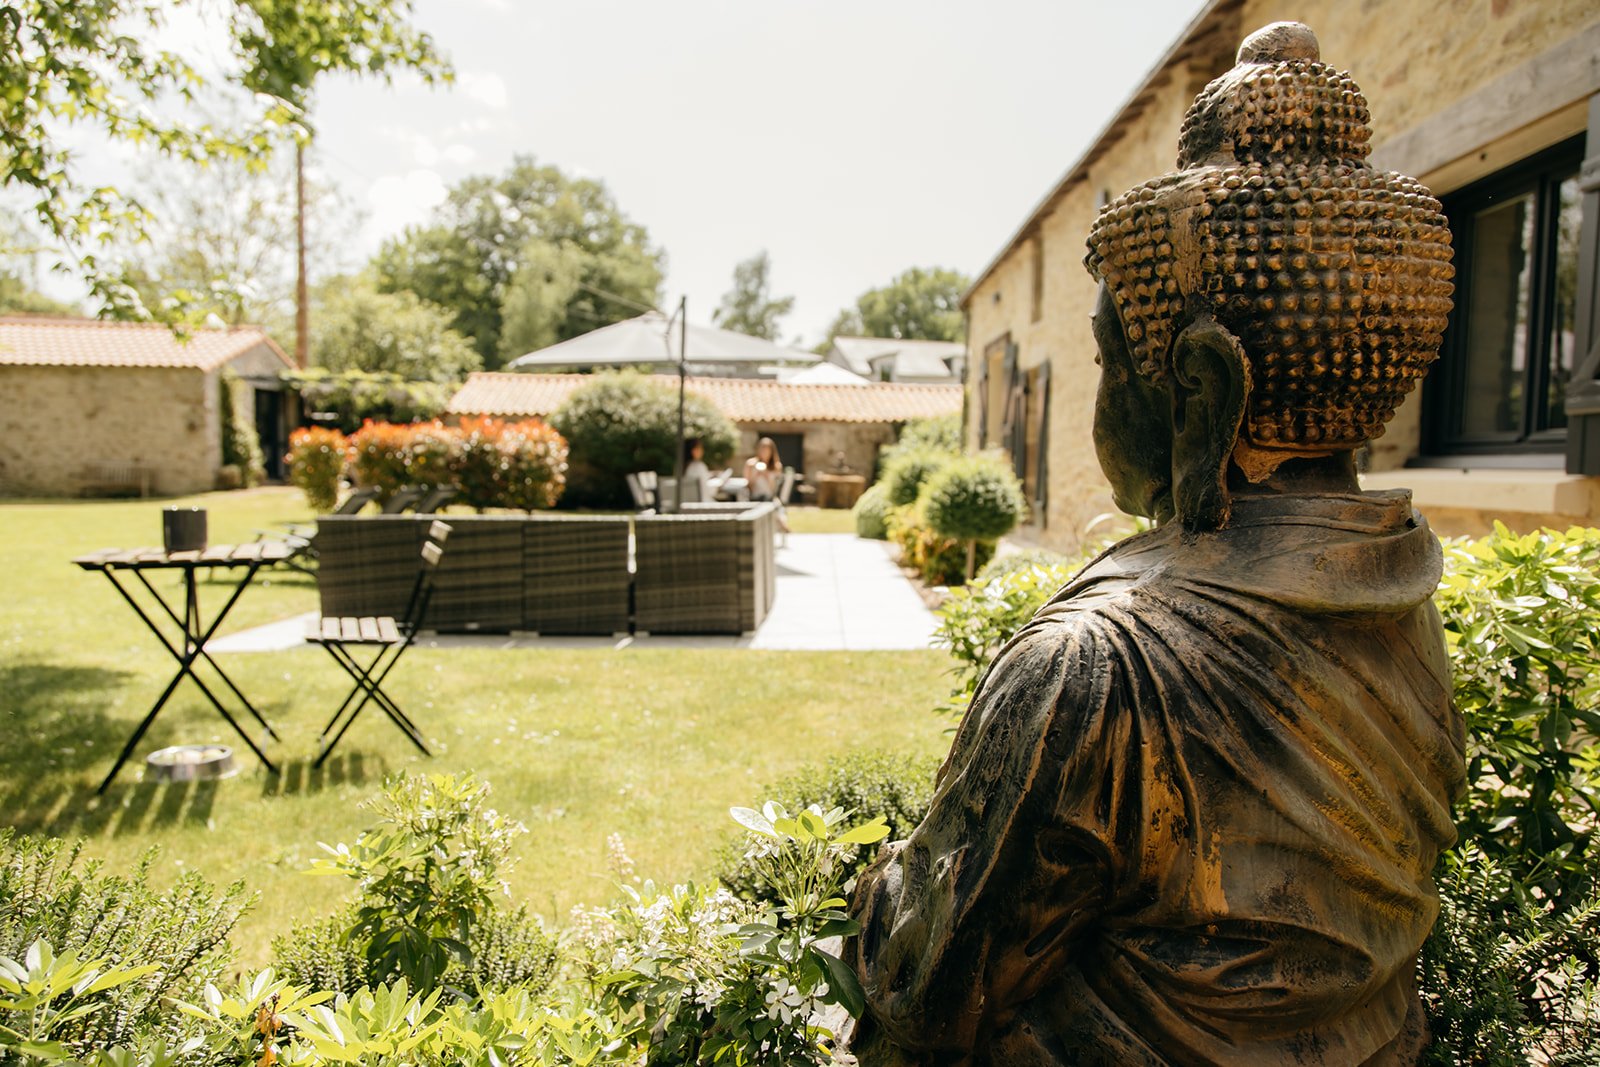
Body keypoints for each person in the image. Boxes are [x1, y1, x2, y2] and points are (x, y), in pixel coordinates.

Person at [848, 22, 1464, 1067]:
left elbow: (926, 990)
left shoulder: (1100, 664)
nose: (1100, 397)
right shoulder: (1398, 590)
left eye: (1106, 360)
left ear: (1202, 390)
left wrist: (874, 890)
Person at [682, 437, 728, 502]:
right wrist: (720, 482)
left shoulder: (681, 467)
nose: (702, 451)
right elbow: (710, 491)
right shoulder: (699, 466)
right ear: (694, 451)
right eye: (700, 448)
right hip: (703, 505)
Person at [743, 436, 784, 502]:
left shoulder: (777, 466)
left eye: (767, 450)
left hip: (770, 499)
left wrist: (766, 476)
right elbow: (747, 487)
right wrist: (756, 476)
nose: (764, 452)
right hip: (754, 499)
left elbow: (776, 490)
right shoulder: (750, 464)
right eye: (762, 449)